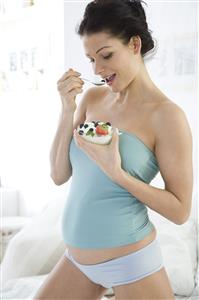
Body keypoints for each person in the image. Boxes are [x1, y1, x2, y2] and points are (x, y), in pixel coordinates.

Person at [34, 0, 193, 299]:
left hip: (130, 263)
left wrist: (117, 174)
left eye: (106, 55)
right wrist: (67, 110)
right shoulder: (92, 99)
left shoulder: (167, 116)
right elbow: (58, 175)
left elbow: (180, 211)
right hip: (77, 260)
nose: (98, 69)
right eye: (91, 59)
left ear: (134, 44)